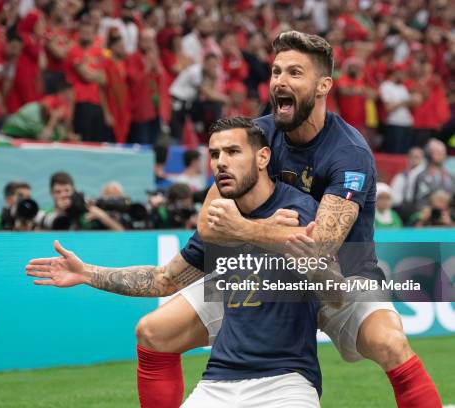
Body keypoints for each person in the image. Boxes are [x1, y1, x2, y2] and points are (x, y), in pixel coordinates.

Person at [130, 31, 442, 408]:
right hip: (266, 272)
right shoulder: (255, 136)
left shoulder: (350, 152)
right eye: (276, 71)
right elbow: (210, 223)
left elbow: (321, 245)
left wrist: (245, 229)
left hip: (340, 276)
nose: (279, 80)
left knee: (390, 342)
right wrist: (248, 231)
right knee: (154, 330)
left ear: (323, 85)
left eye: (295, 73)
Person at [26, 120, 331, 407]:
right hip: (218, 382)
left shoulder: (299, 209)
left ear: (263, 157)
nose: (220, 162)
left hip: (285, 383)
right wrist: (87, 273)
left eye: (233, 152)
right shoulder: (217, 222)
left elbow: (336, 289)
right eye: (214, 154)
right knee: (151, 330)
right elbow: (164, 279)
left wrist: (262, 234)